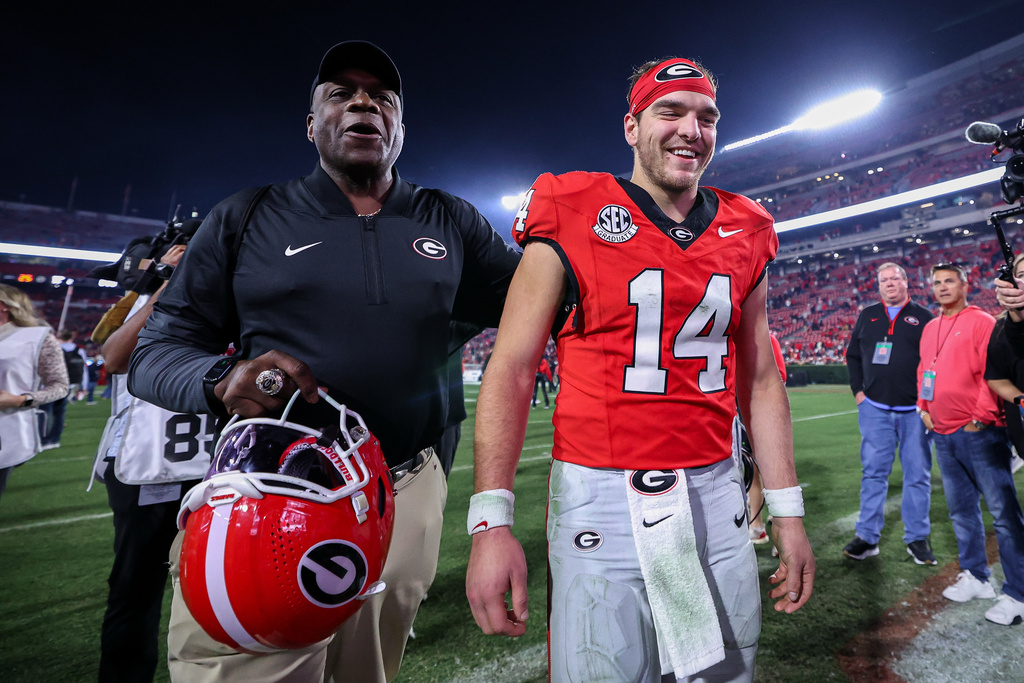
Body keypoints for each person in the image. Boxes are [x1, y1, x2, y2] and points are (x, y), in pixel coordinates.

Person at [127, 41, 519, 683]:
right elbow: (155, 352)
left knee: (368, 667)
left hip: (406, 482)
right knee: (249, 664)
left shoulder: (450, 220)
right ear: (312, 125)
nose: (364, 102)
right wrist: (221, 378)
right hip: (269, 485)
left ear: (398, 128)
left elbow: (543, 303)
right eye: (341, 93)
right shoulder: (246, 217)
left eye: (382, 97)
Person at [465, 57, 814, 683]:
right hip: (599, 498)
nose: (691, 129)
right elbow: (513, 368)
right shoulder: (570, 209)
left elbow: (759, 378)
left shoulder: (748, 227)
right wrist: (491, 521)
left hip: (716, 493)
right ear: (632, 127)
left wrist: (787, 511)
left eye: (706, 117)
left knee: (721, 676)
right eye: (670, 112)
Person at [94, 243, 212, 682]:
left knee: (216, 585)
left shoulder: (233, 293)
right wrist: (169, 285)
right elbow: (114, 356)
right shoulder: (150, 297)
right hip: (148, 466)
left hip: (213, 467)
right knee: (135, 586)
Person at [916, 262, 1024, 626]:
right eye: (937, 282)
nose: (943, 287)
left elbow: (991, 373)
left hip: (979, 431)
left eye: (949, 281)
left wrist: (979, 417)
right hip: (942, 432)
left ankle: (1018, 593)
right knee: (961, 512)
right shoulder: (931, 326)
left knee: (1004, 516)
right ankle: (977, 576)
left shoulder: (982, 321)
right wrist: (922, 407)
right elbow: (924, 371)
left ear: (965, 284)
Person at [844, 262, 935, 564]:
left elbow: (934, 363)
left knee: (917, 476)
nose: (888, 284)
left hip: (914, 412)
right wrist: (859, 393)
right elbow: (853, 356)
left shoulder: (924, 317)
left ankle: (917, 538)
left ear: (906, 282)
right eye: (883, 280)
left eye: (894, 279)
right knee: (873, 474)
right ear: (878, 285)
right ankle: (867, 537)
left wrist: (928, 403)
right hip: (875, 410)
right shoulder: (867, 315)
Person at [0, 284, 69, 502]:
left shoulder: (37, 337)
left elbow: (60, 386)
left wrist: (22, 400)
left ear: (4, 306)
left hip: (6, 431)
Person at [746, 332, 787, 545]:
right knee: (750, 472)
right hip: (739, 415)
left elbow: (778, 377)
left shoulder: (768, 339)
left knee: (771, 475)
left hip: (762, 416)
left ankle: (781, 540)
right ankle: (756, 526)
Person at [40, 328, 88, 449]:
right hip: (68, 385)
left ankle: (43, 440)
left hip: (50, 385)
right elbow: (84, 370)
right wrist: (83, 386)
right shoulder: (79, 350)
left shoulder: (53, 348)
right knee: (59, 414)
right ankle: (55, 439)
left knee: (45, 413)